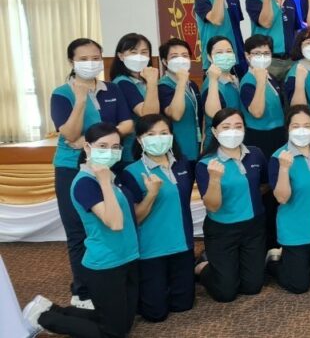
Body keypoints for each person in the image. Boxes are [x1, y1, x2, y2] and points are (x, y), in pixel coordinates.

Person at [23, 123, 139, 338]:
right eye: (103, 146)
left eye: (115, 147)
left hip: (127, 257)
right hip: (106, 263)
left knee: (122, 324)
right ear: (87, 148)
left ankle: (52, 309)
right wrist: (105, 183)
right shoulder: (85, 183)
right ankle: (41, 318)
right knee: (113, 334)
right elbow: (115, 223)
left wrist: (107, 180)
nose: (110, 151)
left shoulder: (110, 176)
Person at [50, 38, 133, 309]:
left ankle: (113, 281)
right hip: (72, 166)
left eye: (96, 57)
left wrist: (97, 142)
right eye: (83, 59)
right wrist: (81, 100)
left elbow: (127, 123)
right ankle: (82, 291)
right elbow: (70, 134)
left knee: (112, 222)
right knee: (78, 229)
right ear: (71, 62)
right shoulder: (62, 94)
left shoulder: (112, 88)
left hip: (109, 162)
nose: (91, 63)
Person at [119, 114, 194, 322]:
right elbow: (136, 218)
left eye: (163, 133)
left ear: (171, 136)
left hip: (182, 245)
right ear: (139, 139)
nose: (158, 138)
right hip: (151, 250)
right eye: (151, 134)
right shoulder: (131, 172)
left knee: (183, 305)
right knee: (155, 314)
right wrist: (151, 194)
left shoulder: (183, 164)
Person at [194, 108, 268, 302]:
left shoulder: (255, 154)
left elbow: (264, 184)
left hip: (253, 227)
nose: (232, 131)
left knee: (253, 287)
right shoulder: (206, 163)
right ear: (215, 131)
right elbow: (212, 206)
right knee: (226, 293)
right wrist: (215, 179)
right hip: (222, 230)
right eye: (226, 127)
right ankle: (203, 266)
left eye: (238, 126)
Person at [266, 105, 310, 294]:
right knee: (299, 285)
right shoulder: (278, 157)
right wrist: (284, 168)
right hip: (296, 230)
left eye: (307, 125)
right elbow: (282, 198)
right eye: (296, 126)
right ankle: (274, 262)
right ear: (287, 128)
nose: (302, 130)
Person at [109, 33, 161, 167]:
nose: (139, 56)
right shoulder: (122, 82)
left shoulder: (143, 81)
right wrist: (152, 82)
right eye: (133, 52)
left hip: (150, 146)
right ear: (121, 56)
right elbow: (148, 115)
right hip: (132, 150)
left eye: (144, 52)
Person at [246, 0, 299, 81]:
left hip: (290, 61)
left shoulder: (289, 0)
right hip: (266, 60)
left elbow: (295, 29)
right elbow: (266, 22)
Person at [239, 34, 287, 158]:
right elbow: (257, 112)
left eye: (266, 53)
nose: (262, 57)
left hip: (278, 134)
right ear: (247, 56)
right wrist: (260, 82)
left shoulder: (271, 77)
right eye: (257, 53)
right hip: (259, 136)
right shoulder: (248, 82)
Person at [157, 38, 202, 163]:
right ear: (165, 61)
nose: (180, 60)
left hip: (196, 144)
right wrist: (181, 81)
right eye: (174, 56)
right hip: (177, 147)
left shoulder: (192, 85)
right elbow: (175, 115)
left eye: (185, 56)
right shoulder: (163, 86)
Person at [201, 36, 243, 149]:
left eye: (229, 51)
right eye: (219, 52)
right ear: (209, 57)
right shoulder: (211, 84)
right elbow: (214, 114)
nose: (225, 55)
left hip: (236, 138)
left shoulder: (235, 79)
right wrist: (213, 80)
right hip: (218, 143)